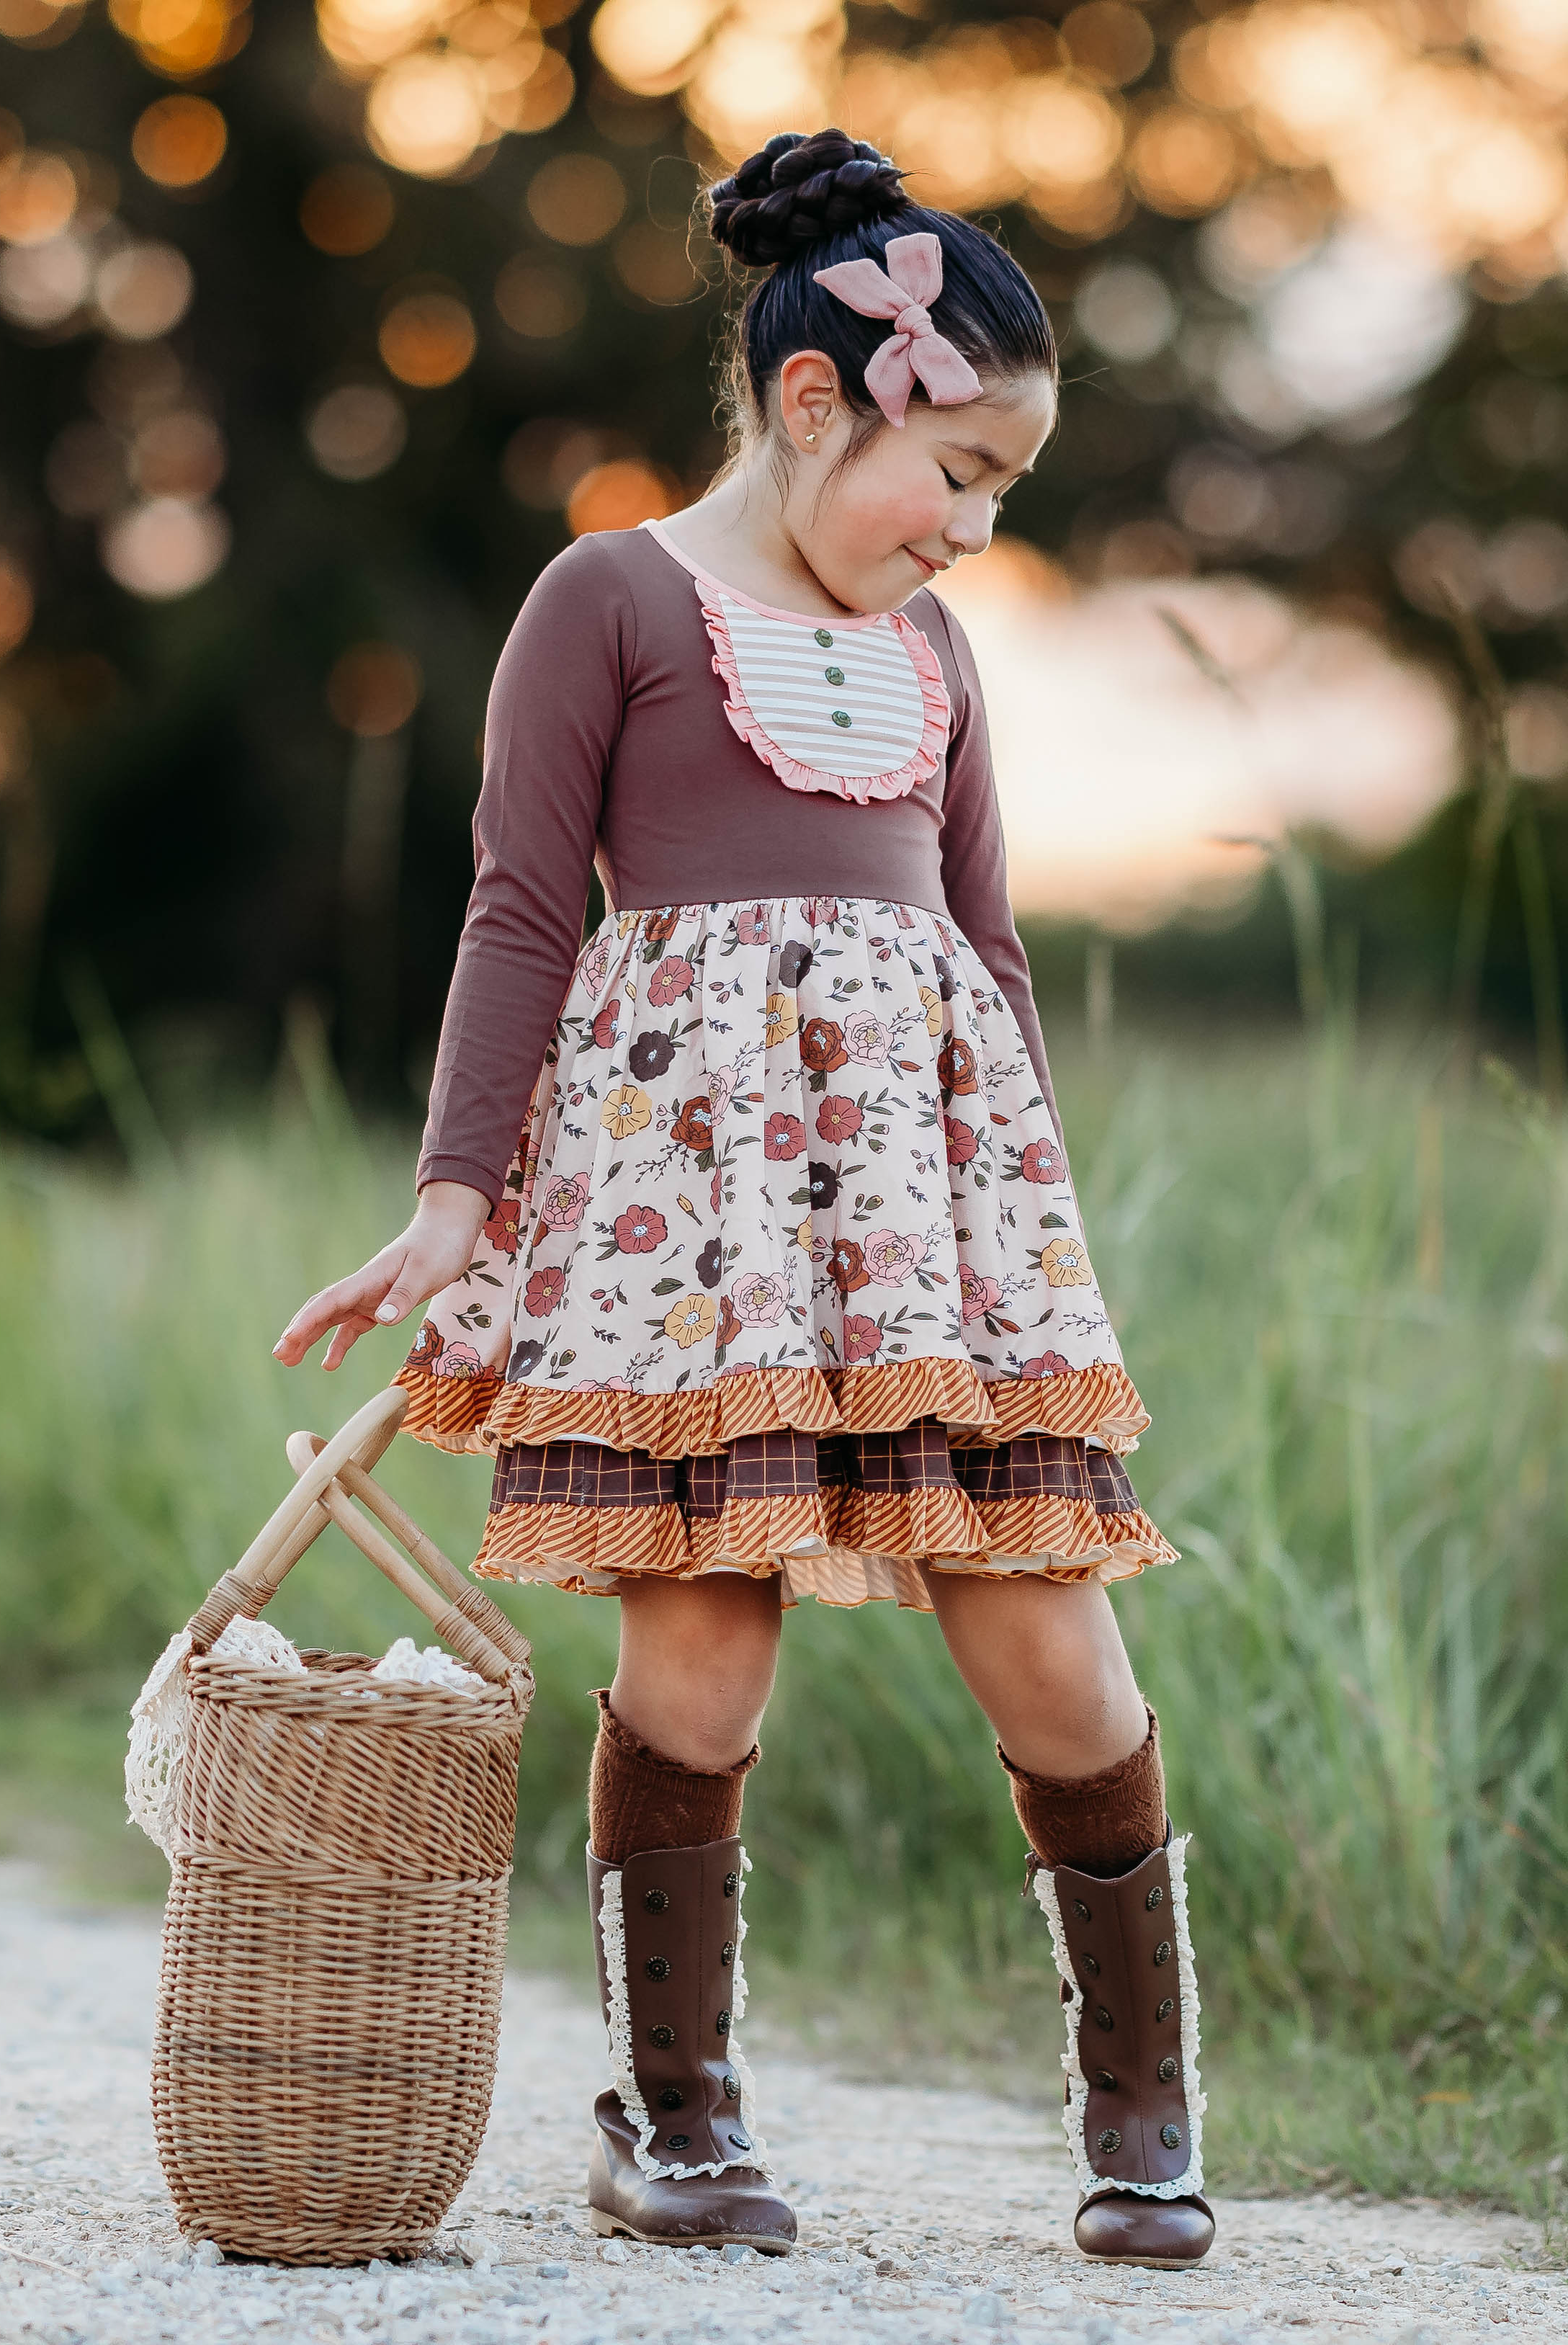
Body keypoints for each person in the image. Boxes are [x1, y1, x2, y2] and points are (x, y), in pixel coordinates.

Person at [272, 125, 1211, 2271]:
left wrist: (1029, 1239)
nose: (975, 531)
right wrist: (454, 1198)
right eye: (957, 476)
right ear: (813, 406)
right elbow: (521, 916)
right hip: (696, 1247)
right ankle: (668, 2112)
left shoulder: (939, 664)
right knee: (699, 1664)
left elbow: (991, 953)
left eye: (1003, 494)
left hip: (926, 1240)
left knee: (1055, 1653)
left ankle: (1142, 2099)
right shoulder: (610, 601)